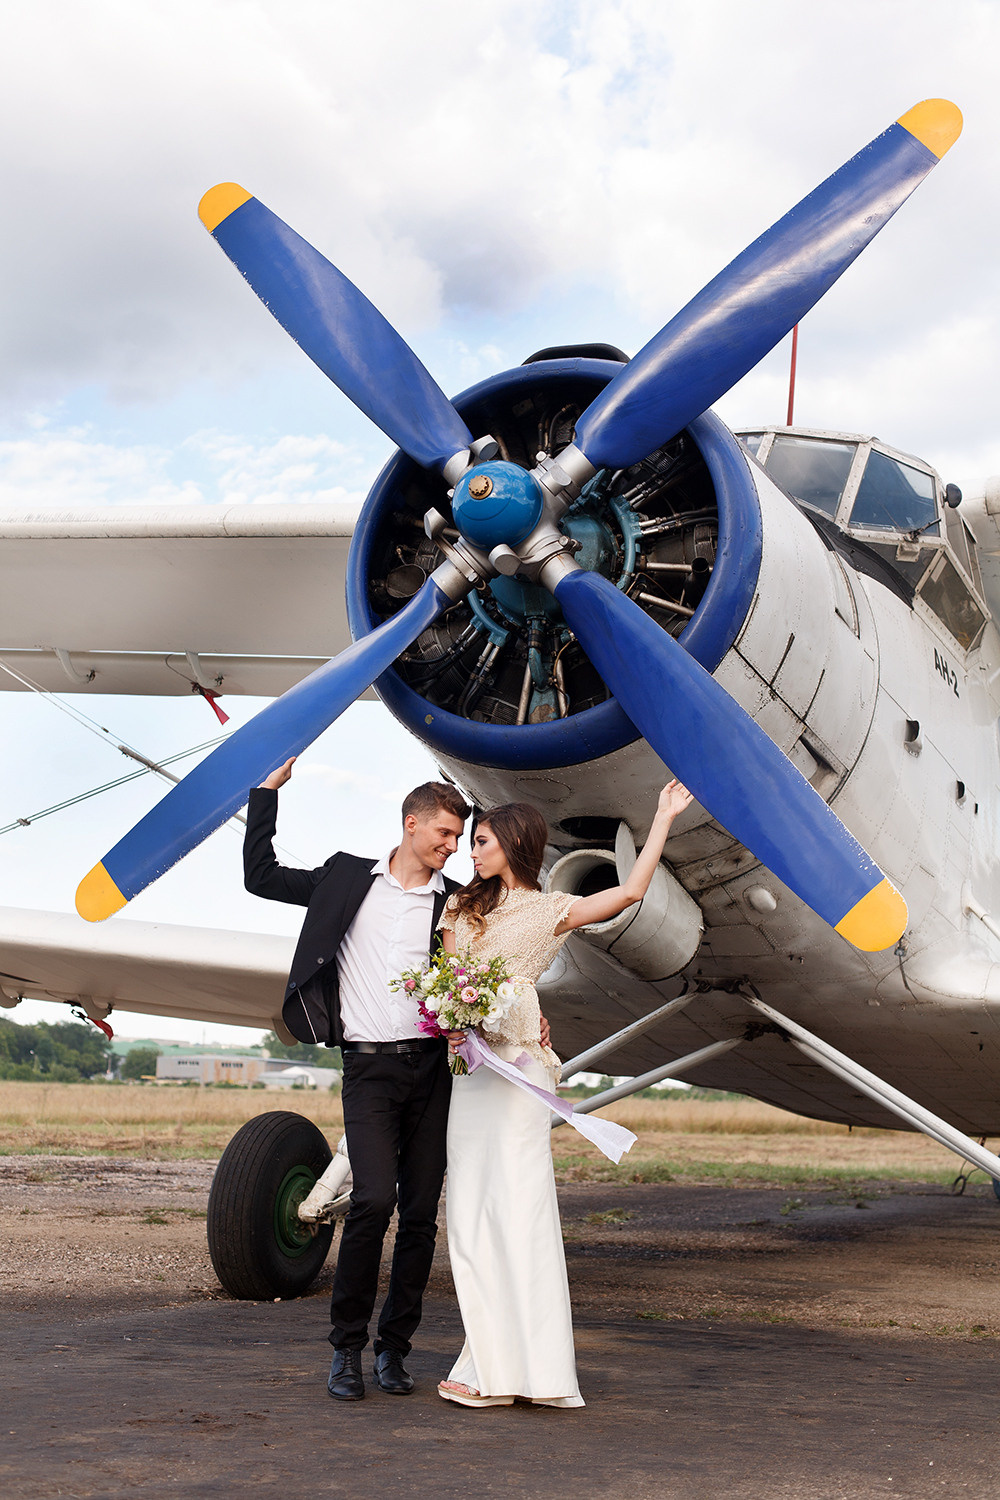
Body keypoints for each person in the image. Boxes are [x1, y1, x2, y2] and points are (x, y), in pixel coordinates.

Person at [436, 778, 694, 1408]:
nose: (473, 851)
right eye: (472, 842)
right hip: (471, 1074)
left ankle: (532, 1374)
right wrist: (452, 1019)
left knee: (519, 1210)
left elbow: (629, 892)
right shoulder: (460, 909)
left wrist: (662, 817)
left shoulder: (551, 909)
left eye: (482, 841)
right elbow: (447, 983)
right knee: (470, 1215)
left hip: (521, 1075)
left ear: (513, 843)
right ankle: (487, 1364)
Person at [243, 756, 471, 1402]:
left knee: (420, 1215)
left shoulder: (455, 903)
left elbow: (496, 963)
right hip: (368, 1069)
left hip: (432, 1071)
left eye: (459, 838)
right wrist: (265, 793)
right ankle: (345, 1349)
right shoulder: (346, 878)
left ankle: (393, 1349)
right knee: (372, 1200)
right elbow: (261, 877)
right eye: (444, 834)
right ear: (411, 824)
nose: (452, 847)